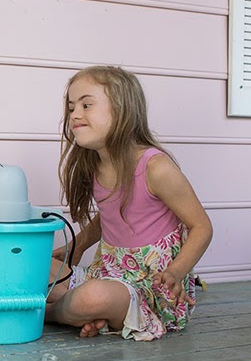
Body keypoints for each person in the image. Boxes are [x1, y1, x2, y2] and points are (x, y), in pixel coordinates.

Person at [45, 65, 212, 341]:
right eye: (71, 107)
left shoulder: (156, 168)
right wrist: (77, 247)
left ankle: (49, 313)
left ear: (122, 111)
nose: (74, 115)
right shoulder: (97, 164)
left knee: (92, 297)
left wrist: (176, 271)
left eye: (86, 105)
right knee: (35, 264)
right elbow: (110, 215)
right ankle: (84, 311)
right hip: (109, 274)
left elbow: (202, 227)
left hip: (150, 292)